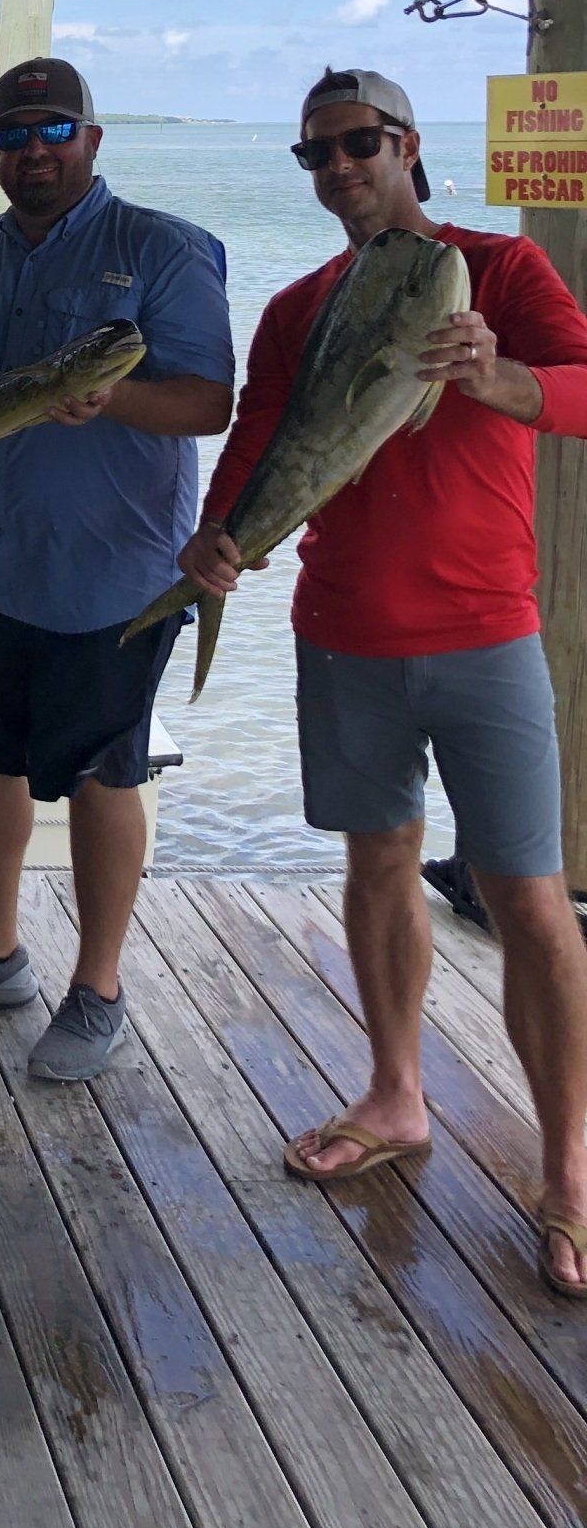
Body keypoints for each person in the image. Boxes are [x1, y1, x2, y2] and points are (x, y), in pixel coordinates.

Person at [179, 68, 587, 1296]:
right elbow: (263, 434)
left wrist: (500, 376)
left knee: (530, 900)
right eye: (316, 155)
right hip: (342, 629)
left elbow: (581, 385)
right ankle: (396, 1093)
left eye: (358, 144)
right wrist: (213, 541)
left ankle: (569, 1168)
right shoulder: (301, 303)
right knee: (375, 866)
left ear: (407, 145)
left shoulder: (499, 275)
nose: (339, 169)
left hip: (485, 636)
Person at [0, 58, 234, 1078]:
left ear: (92, 138)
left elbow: (208, 401)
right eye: (10, 135)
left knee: (99, 770)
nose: (31, 151)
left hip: (112, 568)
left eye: (51, 130)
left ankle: (99, 987)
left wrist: (111, 399)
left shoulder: (162, 248)